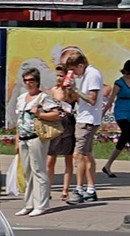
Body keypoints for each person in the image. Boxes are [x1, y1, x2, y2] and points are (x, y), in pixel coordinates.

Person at [15, 67, 62, 218]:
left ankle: (42, 204)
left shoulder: (43, 97)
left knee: (39, 170)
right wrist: (17, 138)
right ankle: (29, 204)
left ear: (37, 82)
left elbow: (56, 114)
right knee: (27, 172)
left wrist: (40, 113)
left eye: (31, 80)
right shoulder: (22, 98)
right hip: (23, 137)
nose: (28, 83)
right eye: (26, 80)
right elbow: (19, 119)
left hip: (37, 137)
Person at [63, 51, 103, 204]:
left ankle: (79, 189)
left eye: (75, 70)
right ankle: (91, 189)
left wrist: (75, 90)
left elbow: (92, 99)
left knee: (78, 155)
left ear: (81, 65)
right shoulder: (88, 75)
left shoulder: (92, 74)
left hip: (87, 120)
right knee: (86, 155)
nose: (74, 73)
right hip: (86, 118)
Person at [45, 64, 77, 202]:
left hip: (68, 125)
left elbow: (83, 105)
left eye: (61, 76)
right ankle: (48, 189)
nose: (59, 78)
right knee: (50, 160)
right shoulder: (52, 91)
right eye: (57, 76)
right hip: (55, 125)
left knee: (68, 158)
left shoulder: (72, 93)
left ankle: (65, 190)